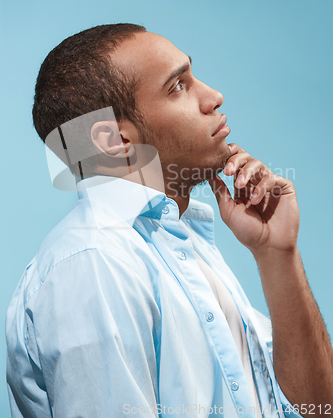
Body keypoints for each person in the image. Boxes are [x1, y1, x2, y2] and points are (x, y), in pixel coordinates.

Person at [6, 23, 333, 418]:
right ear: (115, 140)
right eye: (177, 86)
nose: (213, 97)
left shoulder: (184, 247)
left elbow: (319, 409)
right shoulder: (96, 263)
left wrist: (278, 255)